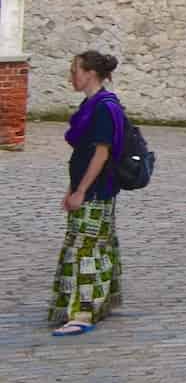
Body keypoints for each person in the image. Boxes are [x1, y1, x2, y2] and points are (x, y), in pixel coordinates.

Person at [50, 50, 127, 336]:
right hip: (87, 188)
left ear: (90, 74)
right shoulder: (90, 104)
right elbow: (82, 153)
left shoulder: (105, 107)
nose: (72, 76)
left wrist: (81, 190)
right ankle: (97, 303)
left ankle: (83, 312)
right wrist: (71, 188)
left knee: (87, 249)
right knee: (91, 244)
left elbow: (101, 153)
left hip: (97, 191)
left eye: (75, 70)